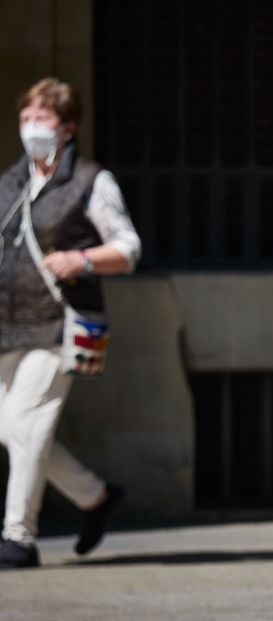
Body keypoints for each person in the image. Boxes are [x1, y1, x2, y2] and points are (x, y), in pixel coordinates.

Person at [0, 77, 141, 569]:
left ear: (68, 127)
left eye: (43, 120)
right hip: (8, 324)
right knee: (10, 426)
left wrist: (80, 260)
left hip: (60, 321)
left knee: (28, 419)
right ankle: (95, 498)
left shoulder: (90, 180)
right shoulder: (12, 183)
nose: (32, 128)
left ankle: (18, 537)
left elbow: (128, 248)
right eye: (25, 119)